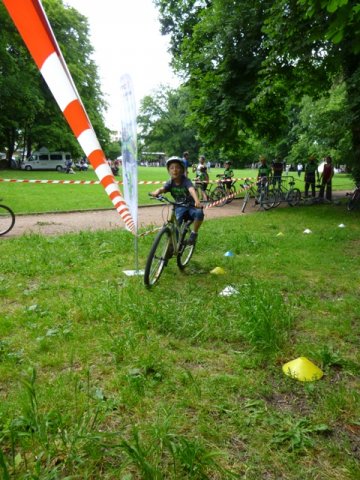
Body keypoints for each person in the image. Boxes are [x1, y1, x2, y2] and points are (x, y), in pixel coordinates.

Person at [150, 157, 204, 245]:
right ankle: (175, 244)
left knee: (199, 213)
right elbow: (163, 189)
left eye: (178, 167)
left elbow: (191, 189)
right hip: (179, 206)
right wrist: (157, 191)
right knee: (175, 226)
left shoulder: (186, 181)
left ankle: (194, 234)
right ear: (168, 171)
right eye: (172, 168)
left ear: (182, 170)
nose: (174, 170)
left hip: (190, 206)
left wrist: (197, 201)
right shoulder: (170, 182)